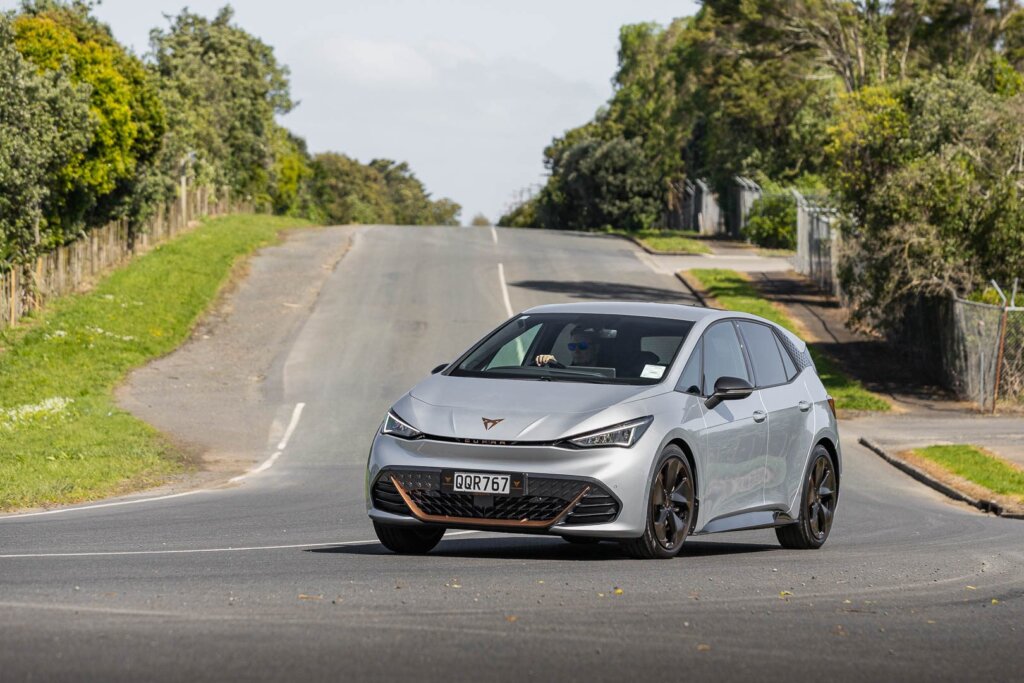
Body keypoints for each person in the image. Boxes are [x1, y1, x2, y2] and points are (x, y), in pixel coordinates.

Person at [535, 326, 600, 368]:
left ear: (596, 348)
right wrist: (550, 361)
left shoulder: (608, 373)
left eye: (582, 346)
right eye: (572, 346)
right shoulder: (567, 372)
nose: (576, 351)